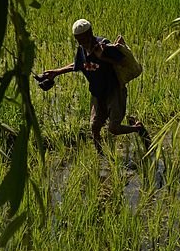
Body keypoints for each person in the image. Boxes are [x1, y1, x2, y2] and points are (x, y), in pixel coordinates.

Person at [40, 19, 150, 156]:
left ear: (90, 33)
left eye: (83, 38)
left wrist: (103, 57)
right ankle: (100, 155)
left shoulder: (104, 45)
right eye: (78, 40)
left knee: (114, 128)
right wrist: (56, 72)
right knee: (94, 126)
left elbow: (122, 62)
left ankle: (138, 128)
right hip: (97, 94)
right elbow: (77, 65)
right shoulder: (82, 49)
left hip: (114, 91)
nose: (81, 42)